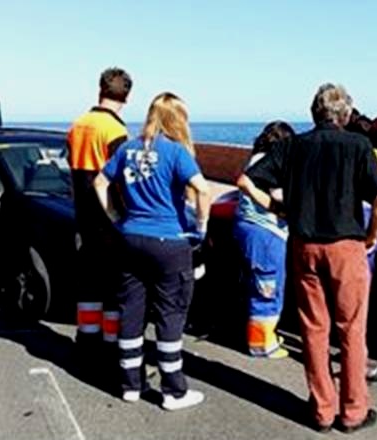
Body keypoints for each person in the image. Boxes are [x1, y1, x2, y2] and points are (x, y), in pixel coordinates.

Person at [237, 84, 377, 433]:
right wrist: (372, 236)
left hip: (304, 247)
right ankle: (353, 411)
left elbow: (245, 181)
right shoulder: (358, 146)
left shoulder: (292, 146)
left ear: (313, 113)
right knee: (351, 330)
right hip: (346, 248)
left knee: (313, 329)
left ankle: (322, 410)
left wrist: (278, 208)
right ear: (346, 114)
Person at [93, 92, 211, 410]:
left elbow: (99, 182)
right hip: (169, 242)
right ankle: (173, 391)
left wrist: (116, 217)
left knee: (131, 310)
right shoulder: (175, 152)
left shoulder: (128, 148)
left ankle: (130, 383)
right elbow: (203, 189)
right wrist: (200, 227)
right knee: (170, 313)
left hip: (130, 239)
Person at [67, 67, 132, 345]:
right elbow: (120, 179)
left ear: (100, 89)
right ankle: (110, 341)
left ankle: (87, 339)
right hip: (108, 216)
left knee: (89, 282)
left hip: (83, 212)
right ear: (127, 97)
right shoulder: (115, 130)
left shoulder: (77, 124)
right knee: (113, 285)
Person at [235, 121, 295, 358]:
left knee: (258, 284)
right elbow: (278, 195)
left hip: (248, 229)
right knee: (268, 287)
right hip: (266, 232)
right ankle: (262, 344)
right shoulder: (271, 163)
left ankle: (265, 335)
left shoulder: (255, 159)